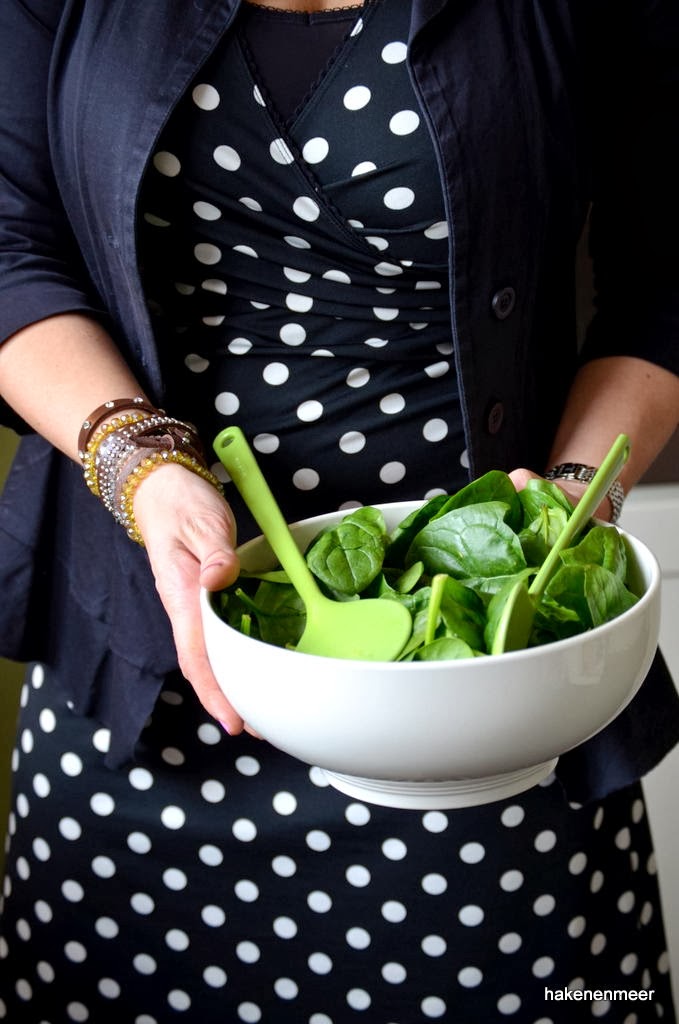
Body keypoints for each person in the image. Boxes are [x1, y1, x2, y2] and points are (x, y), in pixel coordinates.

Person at [1, 0, 679, 1020]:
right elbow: (9, 240)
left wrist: (574, 501)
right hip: (150, 668)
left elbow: (665, 272)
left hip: (492, 685)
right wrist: (140, 464)